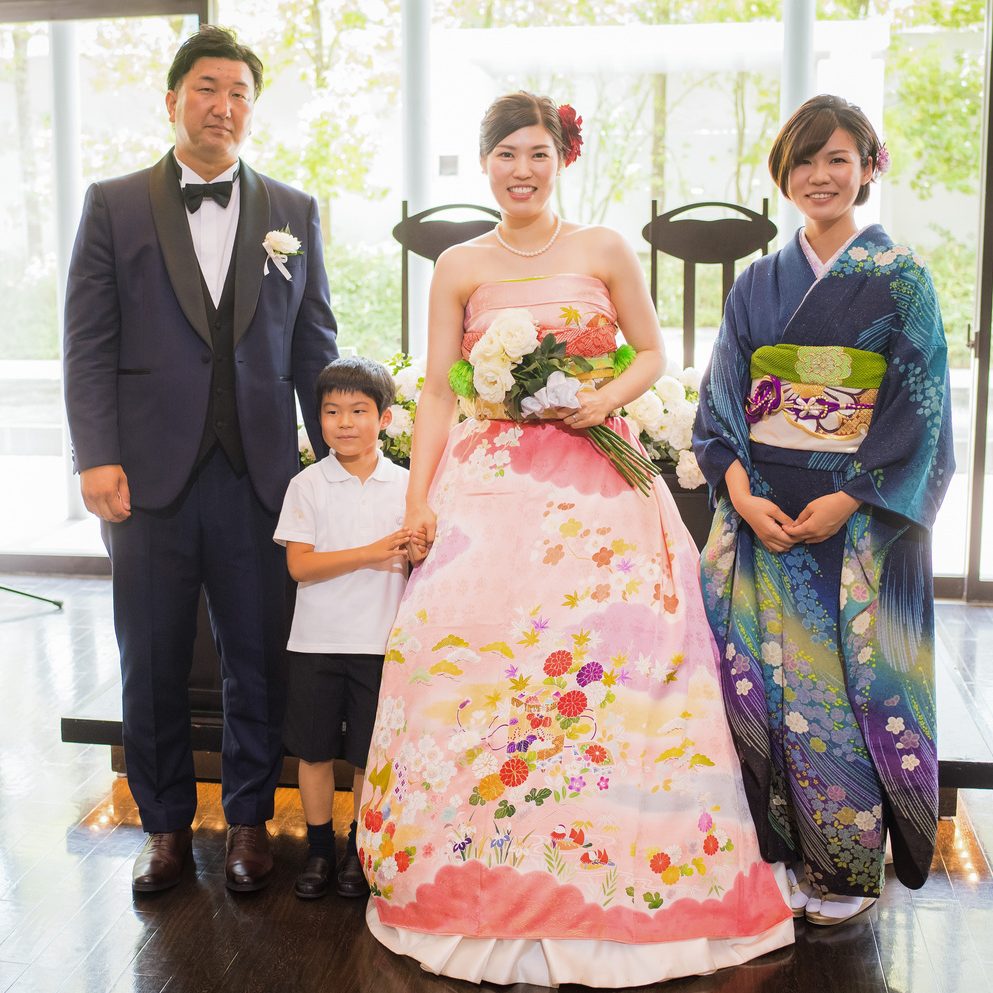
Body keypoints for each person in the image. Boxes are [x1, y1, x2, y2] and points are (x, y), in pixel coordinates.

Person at [356, 92, 794, 988]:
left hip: (598, 479)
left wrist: (603, 398)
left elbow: (651, 352)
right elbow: (436, 389)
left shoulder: (602, 248)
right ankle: (479, 867)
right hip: (489, 483)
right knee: (467, 657)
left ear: (562, 161)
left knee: (619, 660)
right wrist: (418, 499)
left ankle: (621, 869)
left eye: (538, 154)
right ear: (485, 162)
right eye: (506, 154)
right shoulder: (458, 264)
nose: (522, 170)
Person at [63, 25, 338, 894]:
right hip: (145, 478)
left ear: (252, 110)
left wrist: (334, 470)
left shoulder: (293, 210)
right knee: (151, 658)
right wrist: (96, 455)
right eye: (208, 89)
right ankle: (165, 828)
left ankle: (250, 822)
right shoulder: (113, 204)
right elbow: (87, 341)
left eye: (239, 94)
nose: (223, 107)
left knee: (256, 655)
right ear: (173, 99)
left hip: (260, 476)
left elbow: (314, 345)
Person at [693, 95, 953, 926]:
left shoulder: (902, 278)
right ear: (783, 173)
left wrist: (849, 497)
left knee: (845, 691)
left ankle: (844, 869)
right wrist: (740, 494)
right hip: (768, 515)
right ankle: (780, 854)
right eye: (803, 160)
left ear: (867, 168)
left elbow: (920, 412)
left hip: (859, 519)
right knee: (772, 683)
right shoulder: (757, 283)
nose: (819, 175)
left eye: (837, 158)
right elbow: (722, 400)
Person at [274, 357, 420, 900]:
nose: (344, 422)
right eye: (332, 411)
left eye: (359, 411)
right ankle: (318, 850)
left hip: (381, 644)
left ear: (385, 419)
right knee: (313, 753)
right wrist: (372, 552)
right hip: (315, 642)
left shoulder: (408, 487)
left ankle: (360, 850)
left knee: (366, 755)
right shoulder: (307, 484)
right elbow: (299, 566)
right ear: (319, 419)